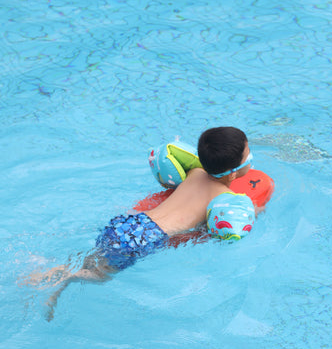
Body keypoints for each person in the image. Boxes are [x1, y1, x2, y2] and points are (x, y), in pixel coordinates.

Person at [27, 127, 253, 319]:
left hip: (131, 221)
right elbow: (220, 228)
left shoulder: (194, 171)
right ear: (233, 174)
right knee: (99, 275)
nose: (251, 157)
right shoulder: (223, 198)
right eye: (248, 154)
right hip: (147, 237)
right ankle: (57, 283)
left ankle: (50, 270)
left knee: (94, 256)